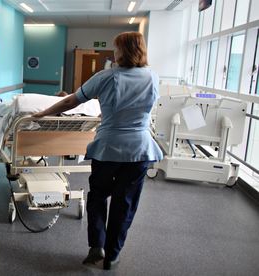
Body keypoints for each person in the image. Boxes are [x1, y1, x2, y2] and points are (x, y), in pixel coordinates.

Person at [33, 32, 163, 270]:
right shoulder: (153, 77)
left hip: (108, 149)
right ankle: (112, 255)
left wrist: (43, 113)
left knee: (98, 195)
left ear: (122, 51)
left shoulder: (106, 76)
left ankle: (97, 247)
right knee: (125, 202)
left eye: (116, 49)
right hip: (139, 150)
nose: (114, 53)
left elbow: (71, 101)